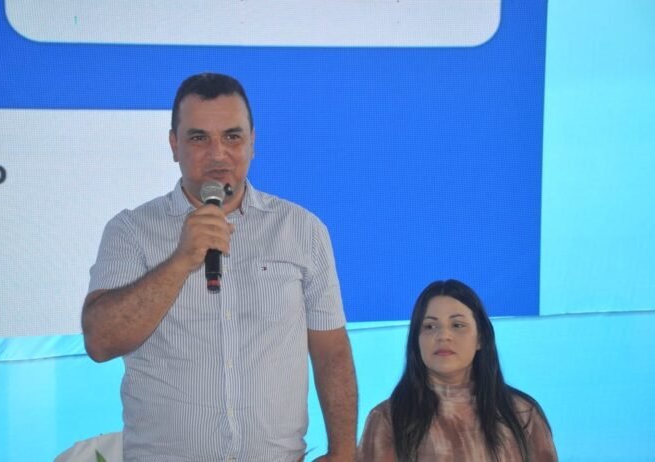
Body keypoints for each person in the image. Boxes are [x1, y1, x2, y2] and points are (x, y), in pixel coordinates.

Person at [81, 72, 357, 461]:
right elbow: (100, 341)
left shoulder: (301, 229)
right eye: (199, 138)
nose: (217, 153)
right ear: (174, 145)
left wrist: (343, 450)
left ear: (252, 142)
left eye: (232, 137)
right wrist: (182, 259)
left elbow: (331, 351)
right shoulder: (131, 231)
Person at [357, 279, 557, 462]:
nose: (443, 335)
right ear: (416, 341)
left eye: (457, 325)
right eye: (430, 326)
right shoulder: (388, 419)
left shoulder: (522, 414)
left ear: (480, 338)